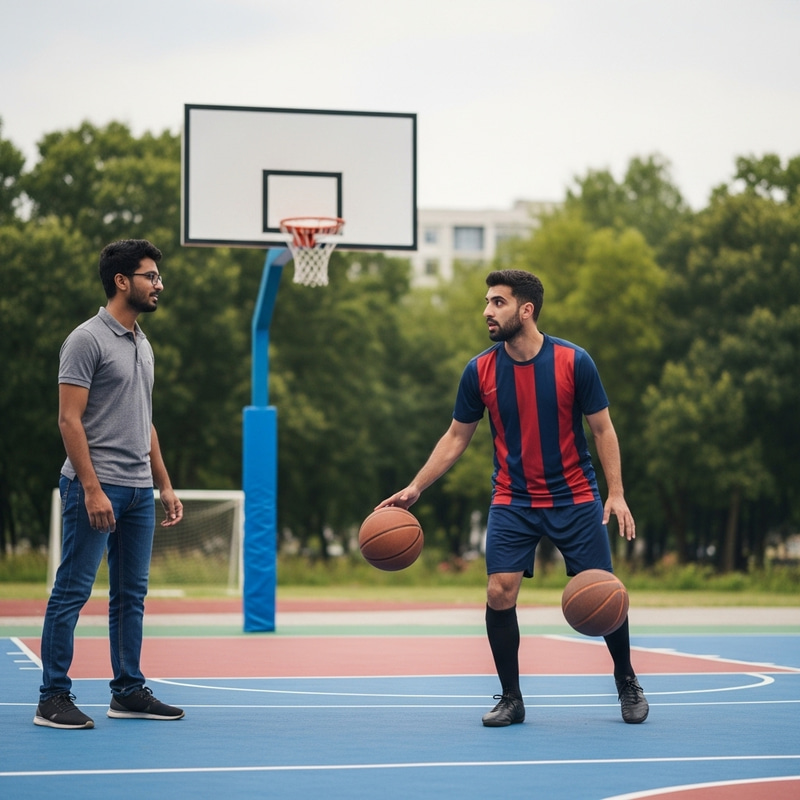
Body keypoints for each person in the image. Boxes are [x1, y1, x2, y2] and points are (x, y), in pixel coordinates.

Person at [378, 269, 649, 726]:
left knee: (602, 591)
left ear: (526, 310)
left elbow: (602, 428)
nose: (487, 311)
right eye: (487, 302)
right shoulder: (479, 370)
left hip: (575, 496)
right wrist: (416, 486)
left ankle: (626, 679)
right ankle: (511, 698)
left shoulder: (574, 361)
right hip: (513, 499)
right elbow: (455, 437)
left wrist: (616, 493)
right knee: (499, 592)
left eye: (498, 302)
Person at [35, 239, 185, 729]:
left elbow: (145, 421)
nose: (159, 284)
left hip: (140, 491)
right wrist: (93, 488)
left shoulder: (143, 343)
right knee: (72, 591)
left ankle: (127, 690)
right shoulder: (85, 339)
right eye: (150, 276)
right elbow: (68, 421)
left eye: (158, 277)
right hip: (94, 488)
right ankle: (52, 696)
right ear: (122, 281)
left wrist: (163, 484)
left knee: (129, 595)